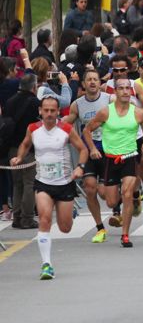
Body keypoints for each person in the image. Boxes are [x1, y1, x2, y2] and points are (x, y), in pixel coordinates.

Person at [10, 96, 89, 279]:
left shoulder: (66, 129)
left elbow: (82, 149)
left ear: (58, 112)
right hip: (43, 182)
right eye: (46, 110)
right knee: (45, 218)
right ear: (40, 111)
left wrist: (80, 167)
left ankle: (70, 214)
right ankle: (47, 265)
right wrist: (19, 157)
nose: (49, 114)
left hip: (64, 183)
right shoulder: (33, 129)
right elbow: (25, 144)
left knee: (65, 227)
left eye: (53, 110)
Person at [82, 77, 143, 247]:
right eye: (121, 88)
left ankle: (125, 235)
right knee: (111, 201)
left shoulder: (138, 112)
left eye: (128, 88)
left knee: (126, 194)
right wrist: (92, 149)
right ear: (115, 91)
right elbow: (87, 130)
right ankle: (128, 202)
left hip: (129, 157)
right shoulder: (106, 112)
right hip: (110, 159)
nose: (126, 91)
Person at [63, 69, 111, 242]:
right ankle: (100, 228)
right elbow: (69, 119)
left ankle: (117, 208)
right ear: (83, 83)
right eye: (88, 79)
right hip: (88, 150)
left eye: (95, 79)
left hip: (107, 150)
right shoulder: (77, 104)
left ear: (100, 83)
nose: (92, 82)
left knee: (105, 194)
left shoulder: (109, 100)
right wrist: (52, 123)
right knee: (90, 189)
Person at [6, 73, 41, 228]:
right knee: (29, 183)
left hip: (12, 148)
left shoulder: (10, 101)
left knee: (17, 184)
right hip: (28, 148)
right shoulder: (35, 102)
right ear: (34, 87)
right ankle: (27, 218)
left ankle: (17, 217)